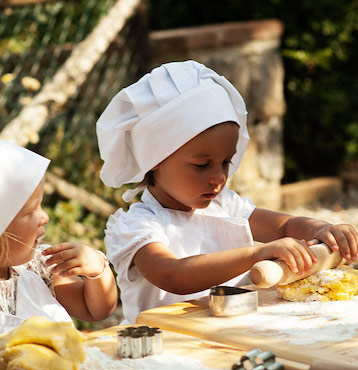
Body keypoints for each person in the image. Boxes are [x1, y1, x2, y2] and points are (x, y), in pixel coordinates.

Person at [96, 60, 358, 324]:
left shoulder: (226, 206)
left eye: (226, 162)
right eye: (201, 165)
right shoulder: (137, 225)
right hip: (168, 345)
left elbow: (285, 225)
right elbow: (172, 274)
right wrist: (254, 255)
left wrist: (322, 231)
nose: (219, 177)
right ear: (155, 159)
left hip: (230, 335)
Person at [0, 140, 118, 333]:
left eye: (41, 205)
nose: (44, 217)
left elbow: (95, 309)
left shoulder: (40, 265)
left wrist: (97, 269)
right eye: (30, 212)